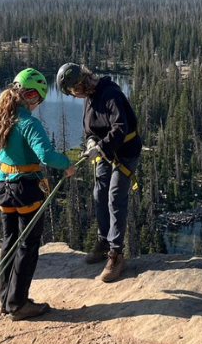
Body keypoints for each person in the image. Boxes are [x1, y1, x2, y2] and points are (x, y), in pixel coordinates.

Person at [0, 68, 74, 320]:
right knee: (28, 244)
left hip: (3, 187)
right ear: (31, 95)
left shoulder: (0, 118)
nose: (38, 105)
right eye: (38, 99)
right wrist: (66, 164)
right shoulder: (28, 122)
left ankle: (6, 298)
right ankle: (19, 303)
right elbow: (46, 155)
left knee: (9, 241)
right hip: (25, 189)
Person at [56, 63, 142, 282]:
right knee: (99, 193)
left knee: (115, 196)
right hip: (106, 151)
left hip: (125, 153)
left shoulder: (110, 93)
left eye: (73, 91)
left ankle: (116, 253)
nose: (74, 96)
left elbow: (120, 128)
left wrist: (100, 147)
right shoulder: (90, 97)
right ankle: (104, 241)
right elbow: (88, 129)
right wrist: (92, 141)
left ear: (80, 83)